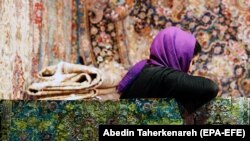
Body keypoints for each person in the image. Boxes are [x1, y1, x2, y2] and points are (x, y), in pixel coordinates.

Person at [117, 27, 219, 114]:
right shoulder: (165, 77)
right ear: (177, 55)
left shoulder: (144, 70)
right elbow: (211, 88)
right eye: (191, 62)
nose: (191, 69)